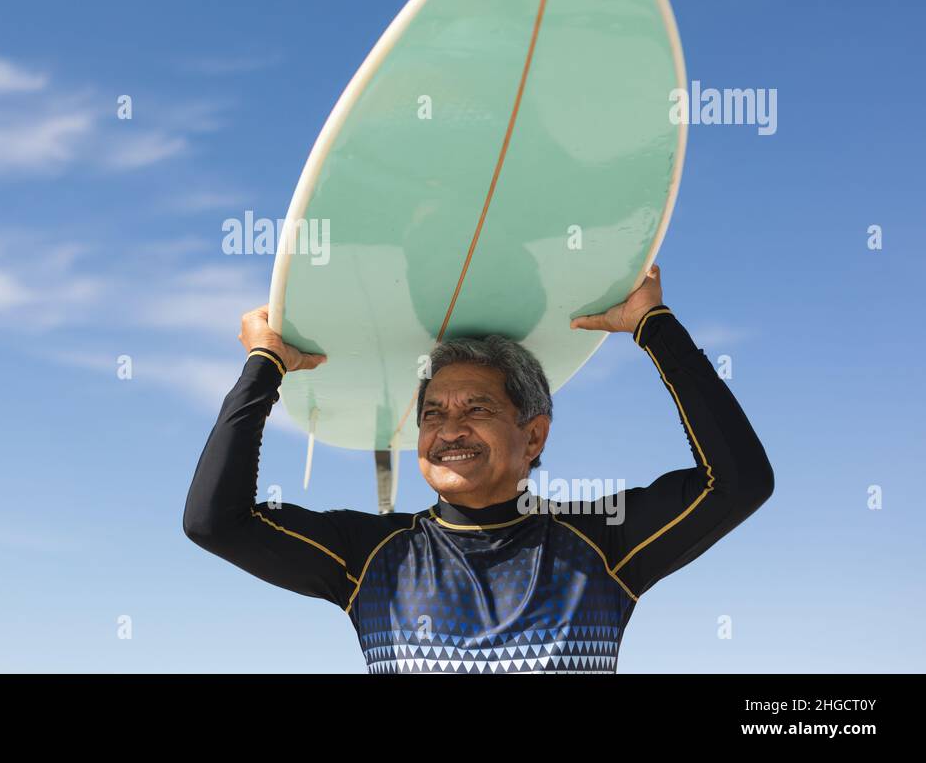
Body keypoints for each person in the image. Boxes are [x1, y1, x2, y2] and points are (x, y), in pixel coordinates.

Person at [183, 265, 774, 673]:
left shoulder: (600, 544)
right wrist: (265, 366)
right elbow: (215, 522)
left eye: (477, 409)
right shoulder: (371, 557)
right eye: (432, 414)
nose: (448, 431)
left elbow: (740, 481)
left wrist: (655, 326)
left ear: (534, 434)